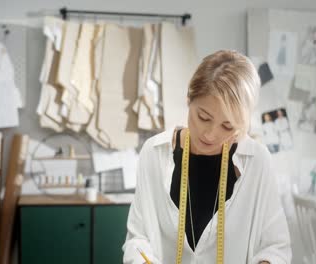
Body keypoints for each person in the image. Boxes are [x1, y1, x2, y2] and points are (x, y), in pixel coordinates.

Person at [123, 50, 291, 264]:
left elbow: (276, 246)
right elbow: (138, 238)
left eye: (227, 125)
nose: (211, 134)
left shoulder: (257, 161)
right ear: (188, 99)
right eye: (203, 117)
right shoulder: (154, 154)